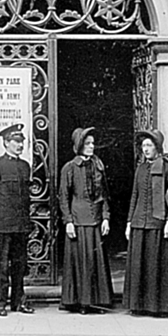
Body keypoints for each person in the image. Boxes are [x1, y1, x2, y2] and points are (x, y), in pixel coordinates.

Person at [123, 129, 168, 317]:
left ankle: (161, 307)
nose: (146, 149)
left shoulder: (167, 167)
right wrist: (129, 222)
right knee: (140, 266)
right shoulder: (140, 169)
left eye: (149, 145)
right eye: (143, 146)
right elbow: (134, 196)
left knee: (158, 267)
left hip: (158, 223)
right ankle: (139, 305)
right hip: (139, 224)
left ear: (157, 147)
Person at [0, 123, 36, 317]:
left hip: (21, 225)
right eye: (16, 141)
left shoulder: (25, 166)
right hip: (3, 225)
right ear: (6, 143)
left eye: (21, 141)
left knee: (19, 266)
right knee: (2, 266)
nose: (20, 145)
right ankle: (0, 303)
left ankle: (19, 302)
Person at [58, 126, 114, 314]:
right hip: (78, 221)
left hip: (96, 220)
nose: (91, 146)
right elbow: (63, 197)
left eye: (92, 143)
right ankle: (81, 302)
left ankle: (97, 302)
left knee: (95, 262)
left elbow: (104, 195)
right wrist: (68, 221)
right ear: (79, 145)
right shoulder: (69, 168)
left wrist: (106, 217)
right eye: (87, 143)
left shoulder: (98, 165)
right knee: (81, 261)